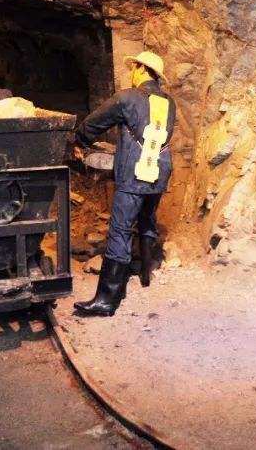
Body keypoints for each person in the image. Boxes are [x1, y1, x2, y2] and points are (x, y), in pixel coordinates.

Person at [72, 50, 175, 317]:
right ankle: (145, 273)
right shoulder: (169, 102)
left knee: (120, 230)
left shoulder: (128, 97)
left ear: (141, 68)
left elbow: (96, 122)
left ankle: (107, 300)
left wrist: (80, 140)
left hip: (134, 174)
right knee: (147, 219)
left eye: (133, 68)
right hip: (159, 172)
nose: (131, 73)